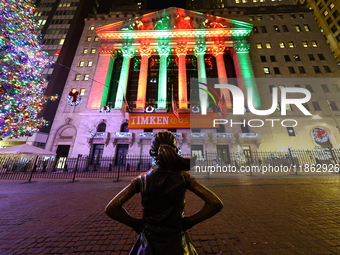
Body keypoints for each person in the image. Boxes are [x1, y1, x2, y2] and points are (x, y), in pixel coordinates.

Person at [105, 131, 223, 255]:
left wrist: (136, 224)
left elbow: (112, 208)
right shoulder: (183, 177)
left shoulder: (142, 179)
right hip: (177, 241)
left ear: (151, 153)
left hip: (147, 242)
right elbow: (215, 203)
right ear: (176, 150)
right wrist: (189, 222)